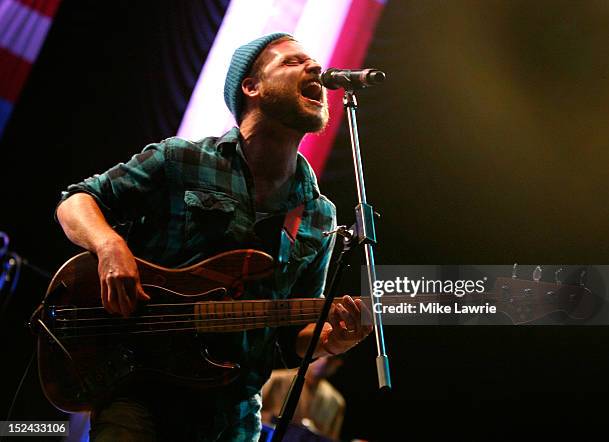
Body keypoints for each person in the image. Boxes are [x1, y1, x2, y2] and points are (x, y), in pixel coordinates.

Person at [55, 33, 372, 442]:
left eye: (314, 62)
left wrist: (329, 341)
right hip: (140, 390)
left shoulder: (319, 214)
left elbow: (289, 337)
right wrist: (109, 246)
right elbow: (75, 201)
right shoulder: (180, 159)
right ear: (251, 87)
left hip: (234, 416)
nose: (315, 68)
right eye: (293, 62)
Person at [261, 356, 346, 440]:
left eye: (331, 359)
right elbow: (252, 415)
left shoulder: (336, 401)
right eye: (320, 356)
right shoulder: (274, 379)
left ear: (338, 363)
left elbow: (332, 438)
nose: (324, 362)